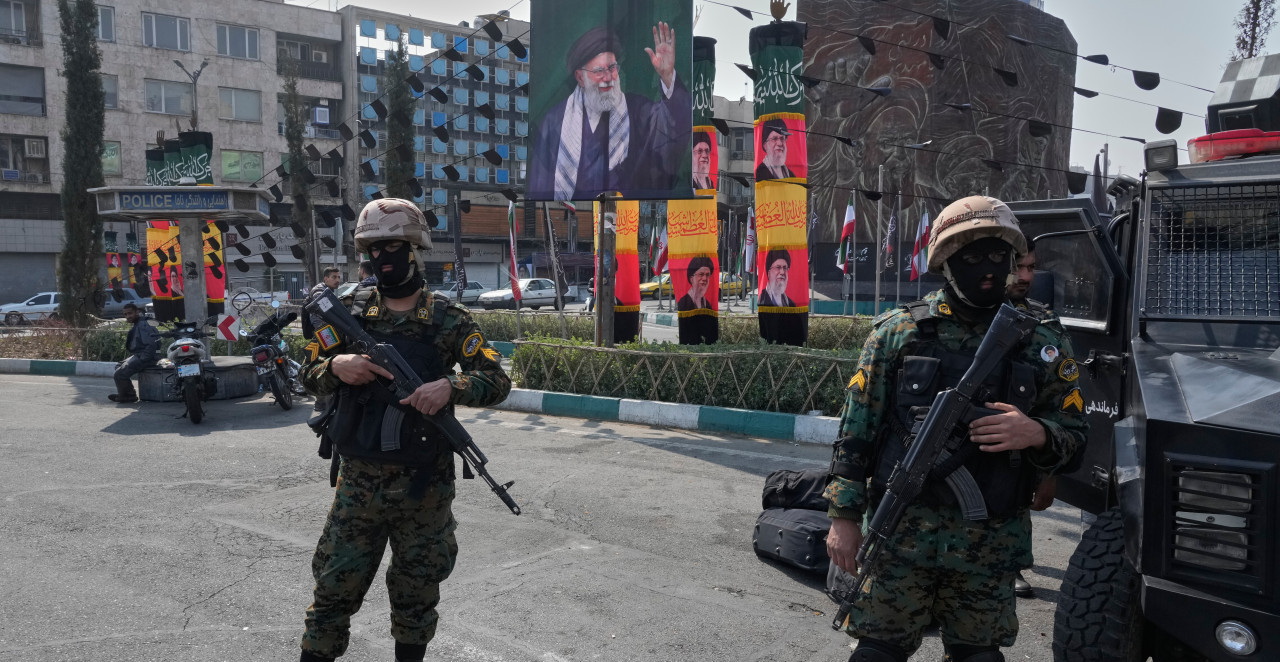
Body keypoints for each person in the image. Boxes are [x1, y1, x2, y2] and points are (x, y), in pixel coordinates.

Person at [824, 195, 1087, 662]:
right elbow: (855, 433)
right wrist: (844, 518)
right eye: (970, 257)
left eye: (996, 257)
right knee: (877, 653)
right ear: (945, 264)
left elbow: (1076, 438)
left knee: (979, 657)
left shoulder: (1041, 342)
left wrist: (1037, 434)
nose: (986, 269)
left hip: (990, 543)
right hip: (903, 535)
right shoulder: (897, 334)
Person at [296, 198, 512, 662]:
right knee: (333, 589)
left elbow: (497, 379)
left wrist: (450, 387)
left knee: (417, 595)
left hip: (424, 485)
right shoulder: (350, 312)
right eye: (373, 250)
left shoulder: (448, 319)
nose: (382, 259)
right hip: (358, 482)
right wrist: (337, 364)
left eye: (392, 248)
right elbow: (307, 369)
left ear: (416, 250)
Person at [529, 23, 692, 201]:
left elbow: (674, 124)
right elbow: (540, 189)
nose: (608, 78)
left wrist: (667, 75)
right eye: (599, 71)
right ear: (579, 77)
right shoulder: (555, 122)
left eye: (612, 68)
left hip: (628, 223)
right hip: (572, 224)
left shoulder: (637, 110)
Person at [1005, 234, 1058, 598]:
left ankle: (1012, 565)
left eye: (1031, 267)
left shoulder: (1042, 324)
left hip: (1018, 447)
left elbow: (1057, 406)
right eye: (1017, 268)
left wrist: (1051, 472)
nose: (1025, 276)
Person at [109, 303, 160, 403]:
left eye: (130, 313)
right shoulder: (139, 323)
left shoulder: (143, 324)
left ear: (137, 312)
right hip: (141, 355)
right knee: (119, 365)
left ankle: (128, 396)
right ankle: (127, 393)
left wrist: (142, 360)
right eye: (125, 314)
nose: (128, 316)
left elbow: (151, 345)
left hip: (148, 357)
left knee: (119, 374)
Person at [302, 267, 344, 341]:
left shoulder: (327, 291)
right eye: (334, 277)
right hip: (323, 333)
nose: (337, 280)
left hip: (325, 331)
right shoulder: (319, 292)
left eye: (338, 277)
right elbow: (328, 313)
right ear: (326, 278)